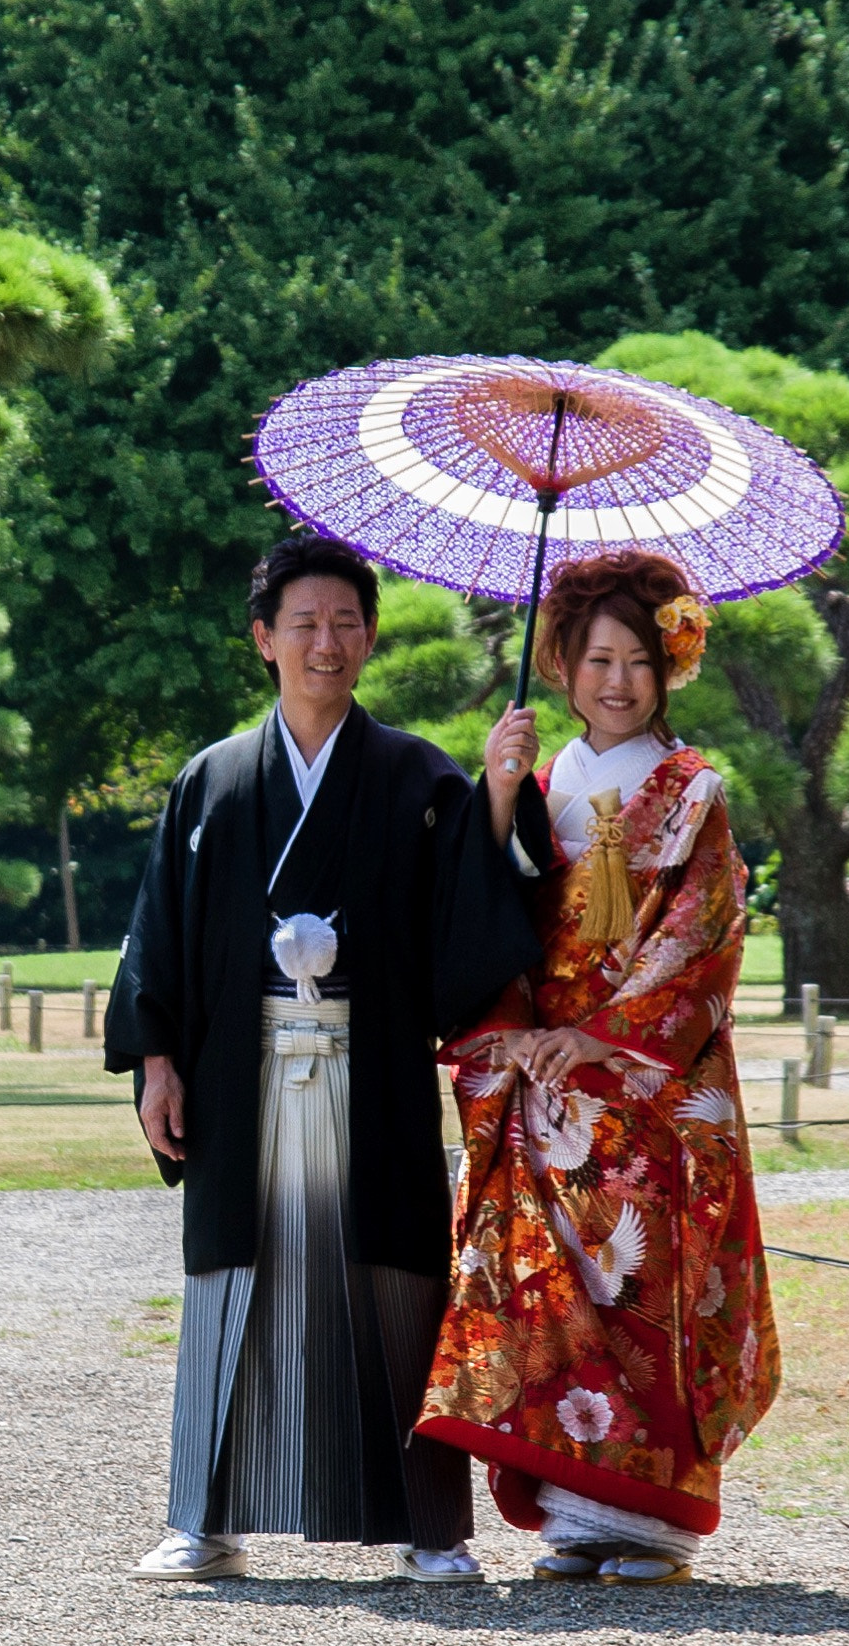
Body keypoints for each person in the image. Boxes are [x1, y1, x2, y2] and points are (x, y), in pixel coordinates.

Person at [105, 533, 543, 1584]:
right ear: (262, 638)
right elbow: (155, 932)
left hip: (372, 1071)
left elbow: (470, 917)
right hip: (237, 1078)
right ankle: (203, 1520)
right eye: (303, 622)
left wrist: (494, 793)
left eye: (346, 622)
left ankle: (428, 1530)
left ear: (372, 637)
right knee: (230, 1283)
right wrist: (156, 1058)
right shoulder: (210, 782)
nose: (325, 641)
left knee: (392, 1282)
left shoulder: (419, 779)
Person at [413, 549, 780, 1585]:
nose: (614, 680)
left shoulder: (689, 787)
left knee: (645, 1281)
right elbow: (490, 922)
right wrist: (493, 793)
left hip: (649, 1078)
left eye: (635, 660)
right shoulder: (542, 782)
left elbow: (700, 938)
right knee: (557, 1290)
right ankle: (581, 1519)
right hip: (543, 1075)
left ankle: (655, 1525)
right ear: (560, 664)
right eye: (592, 657)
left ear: (668, 669)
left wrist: (602, 1037)